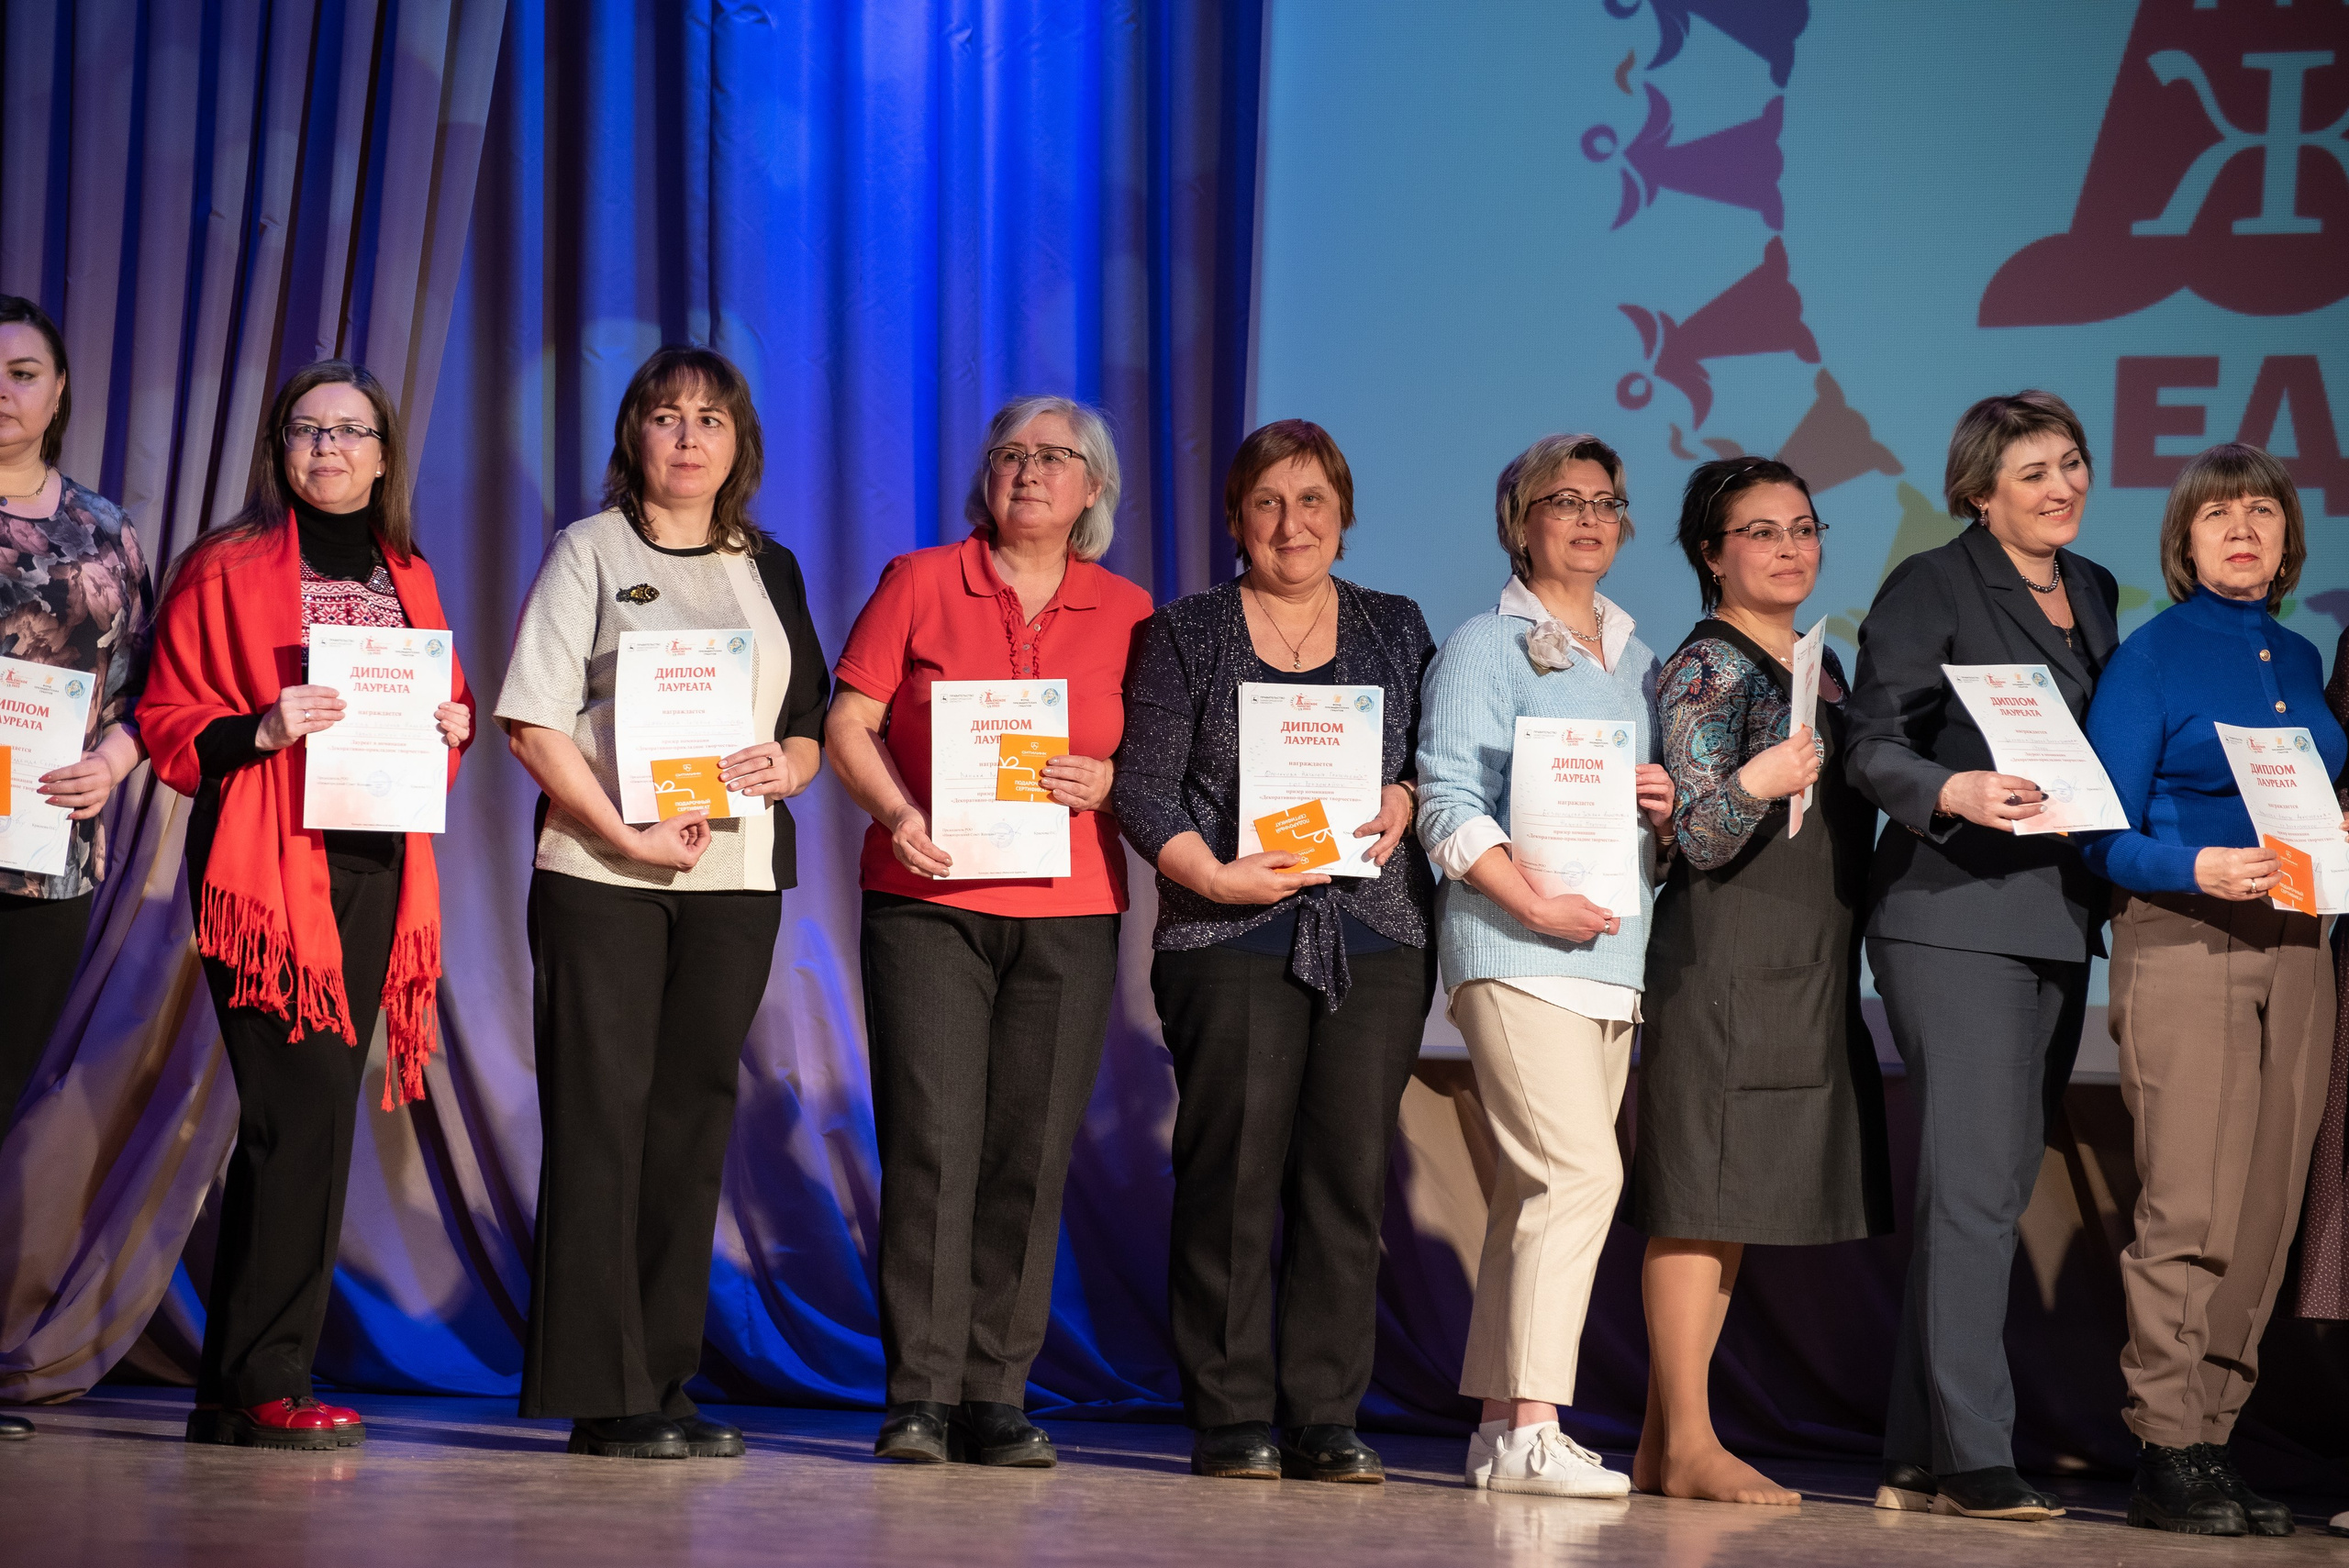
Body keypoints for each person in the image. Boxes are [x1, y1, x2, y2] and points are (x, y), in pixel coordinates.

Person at [497, 346, 828, 1461]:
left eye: (711, 420)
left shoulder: (768, 565)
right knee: (603, 1119)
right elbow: (535, 719)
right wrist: (621, 831)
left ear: (740, 445)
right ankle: (603, 1390)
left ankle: (666, 1379)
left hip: (734, 882)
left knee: (689, 1123)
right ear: (634, 434)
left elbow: (810, 716)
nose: (688, 438)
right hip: (603, 878)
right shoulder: (586, 549)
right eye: (666, 416)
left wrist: (794, 764)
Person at [139, 360, 473, 1450]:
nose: (327, 448)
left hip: (375, 864)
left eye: (350, 431)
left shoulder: (408, 572)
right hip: (267, 868)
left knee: (306, 1124)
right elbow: (168, 719)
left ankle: (238, 1386)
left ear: (383, 455)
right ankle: (265, 1378)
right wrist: (264, 728)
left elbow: (442, 701)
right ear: (278, 448)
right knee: (303, 1116)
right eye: (306, 429)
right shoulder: (225, 567)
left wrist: (454, 726)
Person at [828, 395, 1151, 1468]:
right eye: (1010, 453)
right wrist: (897, 812)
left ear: (1091, 487)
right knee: (932, 1144)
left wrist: (1108, 778)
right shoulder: (920, 580)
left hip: (1068, 914)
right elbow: (847, 723)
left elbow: (1151, 766)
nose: (1027, 470)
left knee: (1029, 1155)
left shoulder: (1130, 609)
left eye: (1053, 457)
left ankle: (994, 1392)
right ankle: (918, 1392)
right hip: (929, 906)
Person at [1114, 418, 1435, 1485]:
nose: (1289, 523)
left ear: (1342, 516)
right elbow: (1145, 783)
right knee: (1232, 1174)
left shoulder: (1395, 625)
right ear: (1234, 518)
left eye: (1311, 501)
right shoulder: (1188, 630)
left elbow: (1442, 759)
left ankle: (1325, 1414)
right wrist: (1210, 875)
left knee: (1346, 1177)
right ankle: (1231, 1412)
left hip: (1372, 933)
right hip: (1229, 929)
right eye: (1266, 501)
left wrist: (1406, 791)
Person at [1846, 390, 2118, 1522]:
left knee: (1992, 1188)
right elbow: (1870, 741)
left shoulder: (2095, 589)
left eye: (2070, 465)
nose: (2060, 487)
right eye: (2032, 472)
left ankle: (1916, 1445)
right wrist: (1948, 787)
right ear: (1977, 489)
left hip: (2059, 914)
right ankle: (1972, 1456)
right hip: (1952, 914)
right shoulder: (1933, 582)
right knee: (1969, 1189)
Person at [2078, 443, 2341, 1538]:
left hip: (2300, 946)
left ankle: (2215, 1441)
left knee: (2269, 1207)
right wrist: (2189, 865)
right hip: (2185, 935)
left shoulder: (2301, 650)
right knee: (2191, 1200)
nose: (2243, 529)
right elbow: (2094, 826)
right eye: (2218, 514)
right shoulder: (2149, 657)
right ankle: (2165, 1442)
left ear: (2289, 537)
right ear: (2182, 540)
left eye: (2263, 513)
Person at [1631, 457, 1893, 1505]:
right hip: (1724, 954)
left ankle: (1664, 1443)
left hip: (1808, 957)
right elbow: (1693, 831)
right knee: (1698, 1194)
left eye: (1802, 526)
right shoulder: (1708, 665)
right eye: (1759, 531)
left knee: (1728, 1196)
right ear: (1711, 552)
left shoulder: (1820, 665)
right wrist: (1755, 776)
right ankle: (1690, 1443)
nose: (1790, 547)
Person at [1416, 433, 1671, 1498]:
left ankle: (1492, 1427)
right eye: (1560, 501)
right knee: (1580, 1174)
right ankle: (1533, 1426)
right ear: (1518, 521)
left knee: (1539, 1190)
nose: (1586, 518)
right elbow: (1444, 804)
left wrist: (1658, 803)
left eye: (1604, 501)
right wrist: (1530, 900)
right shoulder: (1485, 643)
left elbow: (1629, 810)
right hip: (1517, 947)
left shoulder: (1638, 654)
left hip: (1611, 956)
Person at [0, 296, 152, 1442]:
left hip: (46, 852)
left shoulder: (104, 530)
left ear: (59, 390)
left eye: (23, 370)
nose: (4, 390)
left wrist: (109, 756)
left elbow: (147, 686)